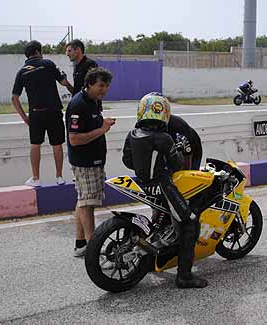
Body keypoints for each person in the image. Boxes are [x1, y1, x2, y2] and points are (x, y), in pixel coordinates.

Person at [122, 92, 208, 289]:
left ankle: (155, 256)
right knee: (189, 223)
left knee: (160, 218)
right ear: (165, 113)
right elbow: (177, 164)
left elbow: (127, 161)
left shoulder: (132, 134)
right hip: (163, 185)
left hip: (142, 184)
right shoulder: (165, 137)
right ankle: (184, 276)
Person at [65, 67, 116, 257]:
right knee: (88, 203)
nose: (105, 90)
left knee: (83, 199)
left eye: (107, 86)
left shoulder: (94, 101)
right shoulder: (78, 105)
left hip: (94, 160)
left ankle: (80, 244)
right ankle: (93, 247)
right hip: (84, 161)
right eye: (101, 85)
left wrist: (103, 124)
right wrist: (102, 129)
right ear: (89, 84)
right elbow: (74, 139)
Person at [11, 40, 74, 187]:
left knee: (35, 144)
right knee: (57, 144)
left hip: (36, 114)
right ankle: (59, 177)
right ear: (39, 52)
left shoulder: (22, 72)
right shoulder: (48, 64)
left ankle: (36, 178)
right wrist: (75, 92)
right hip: (54, 111)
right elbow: (64, 82)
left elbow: (14, 98)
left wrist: (24, 117)